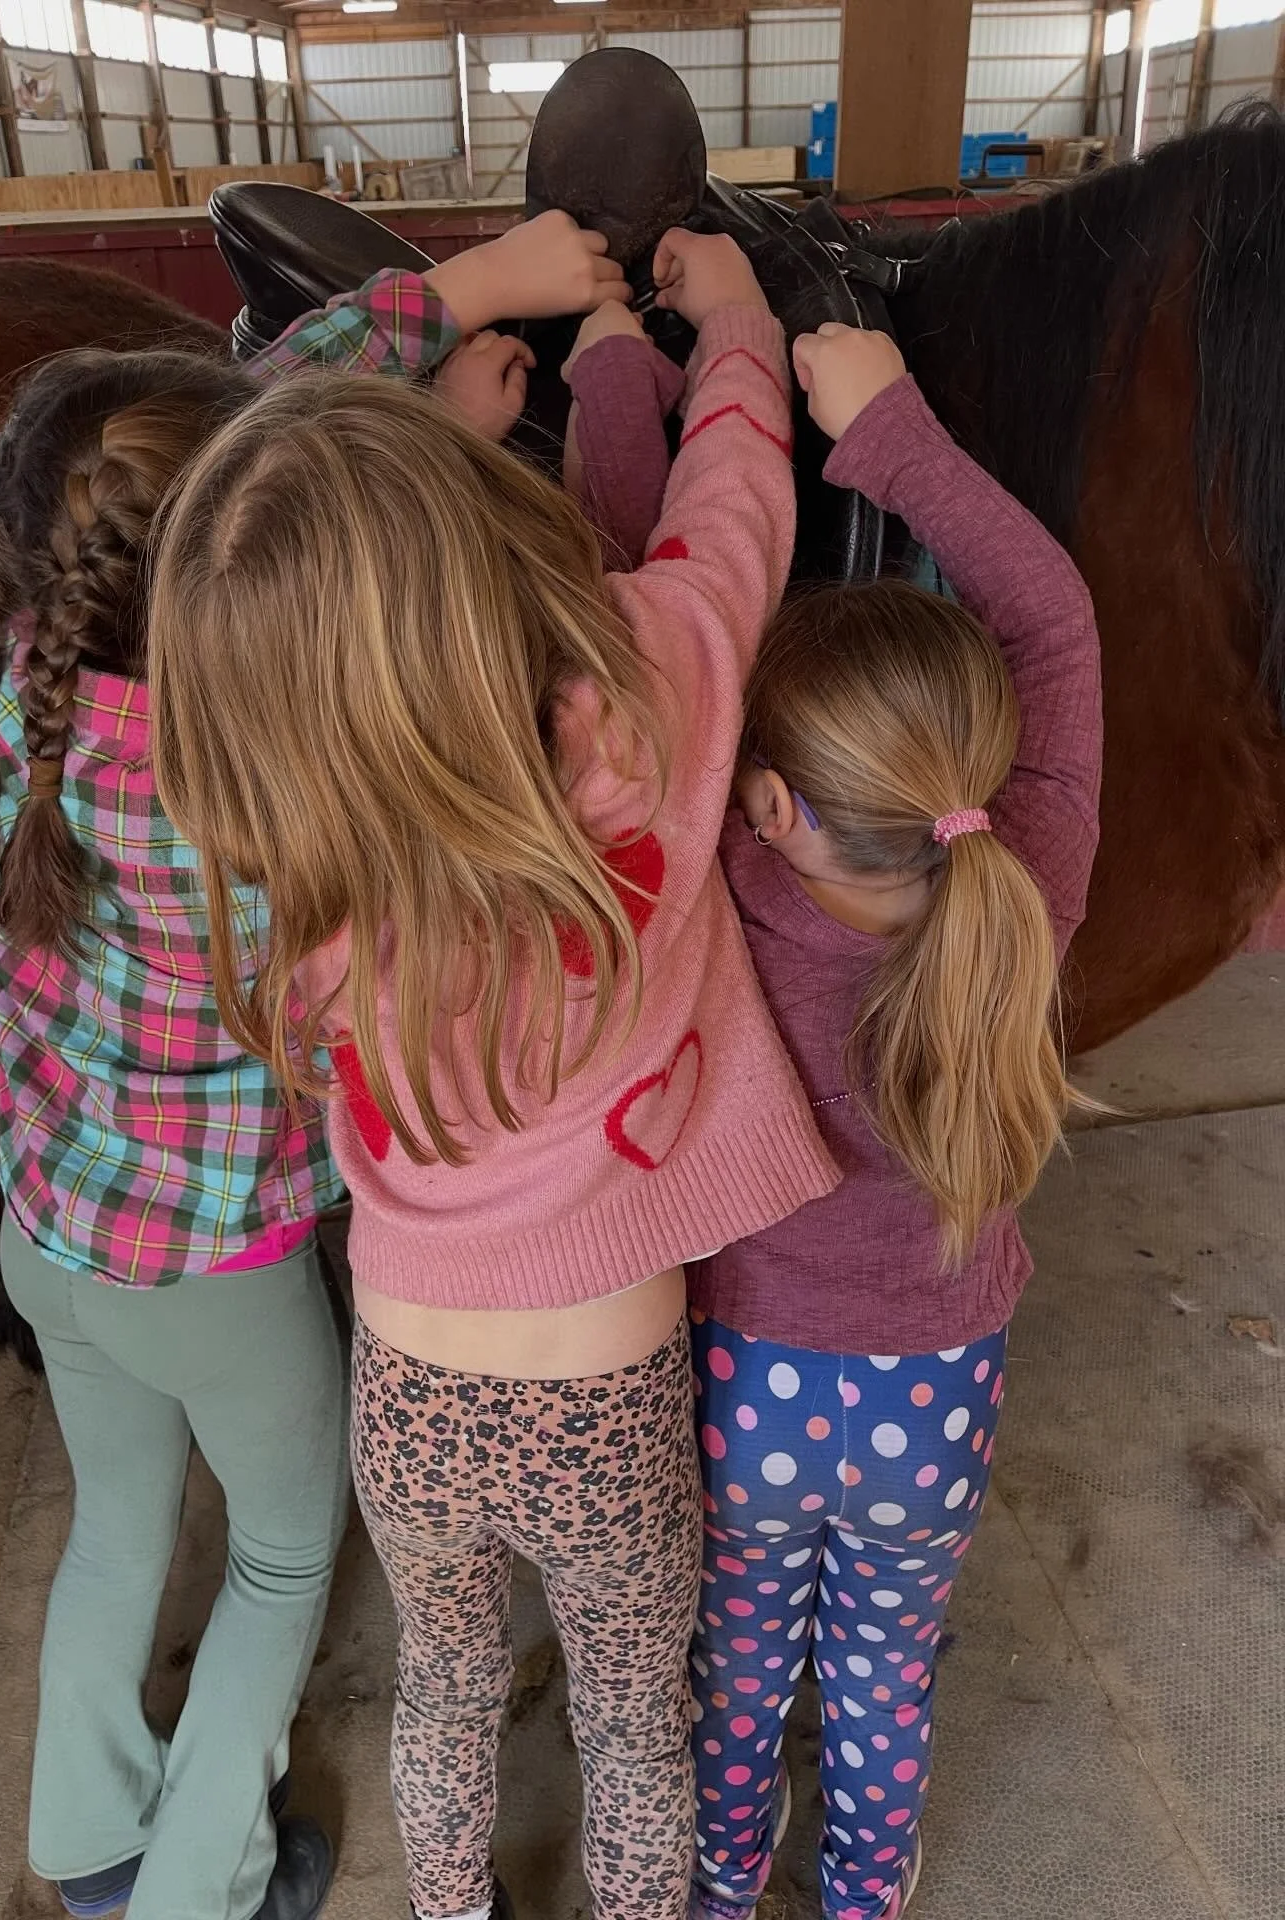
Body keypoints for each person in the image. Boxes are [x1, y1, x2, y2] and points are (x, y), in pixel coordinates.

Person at [0, 216, 631, 1920]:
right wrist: (452, 422)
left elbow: (218, 429)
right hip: (215, 1275)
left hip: (52, 1236)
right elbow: (246, 447)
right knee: (282, 1556)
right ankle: (199, 1893)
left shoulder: (31, 672)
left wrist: (440, 317)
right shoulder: (263, 793)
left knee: (115, 1529)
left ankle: (87, 1842)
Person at [147, 230, 843, 1920]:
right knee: (630, 1724)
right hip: (605, 1391)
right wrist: (732, 327)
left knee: (444, 1697)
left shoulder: (280, 831)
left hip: (411, 1384)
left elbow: (235, 527)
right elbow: (737, 501)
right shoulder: (655, 684)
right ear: (474, 551)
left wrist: (429, 377)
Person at [683, 324, 1102, 1920]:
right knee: (881, 1670)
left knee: (735, 1661)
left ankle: (726, 1887)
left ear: (771, 807)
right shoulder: (1029, 882)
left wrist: (632, 379)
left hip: (743, 1385)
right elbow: (1051, 619)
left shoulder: (727, 902)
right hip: (936, 1391)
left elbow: (667, 646)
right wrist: (894, 426)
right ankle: (863, 1894)